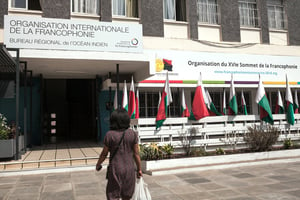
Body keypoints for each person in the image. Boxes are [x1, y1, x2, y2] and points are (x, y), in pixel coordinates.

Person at [96, 108, 142, 200]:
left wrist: (98, 164)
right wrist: (139, 169)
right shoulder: (132, 134)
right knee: (127, 195)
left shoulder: (110, 135)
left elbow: (104, 154)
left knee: (113, 194)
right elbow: (136, 154)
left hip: (115, 169)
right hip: (129, 169)